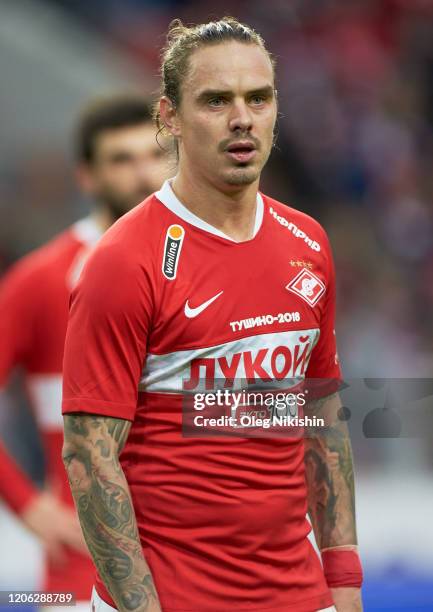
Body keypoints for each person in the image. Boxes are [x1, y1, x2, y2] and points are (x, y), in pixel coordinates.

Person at [62, 18, 363, 612]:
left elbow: (322, 418)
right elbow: (90, 457)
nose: (242, 118)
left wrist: (344, 582)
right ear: (169, 117)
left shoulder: (308, 242)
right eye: (216, 100)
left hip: (299, 597)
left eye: (259, 97)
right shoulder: (126, 261)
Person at [0, 95, 171, 609]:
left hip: (203, 566)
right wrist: (28, 505)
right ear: (87, 177)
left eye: (156, 154)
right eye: (122, 159)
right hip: (83, 578)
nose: (144, 174)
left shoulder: (209, 266)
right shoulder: (39, 280)